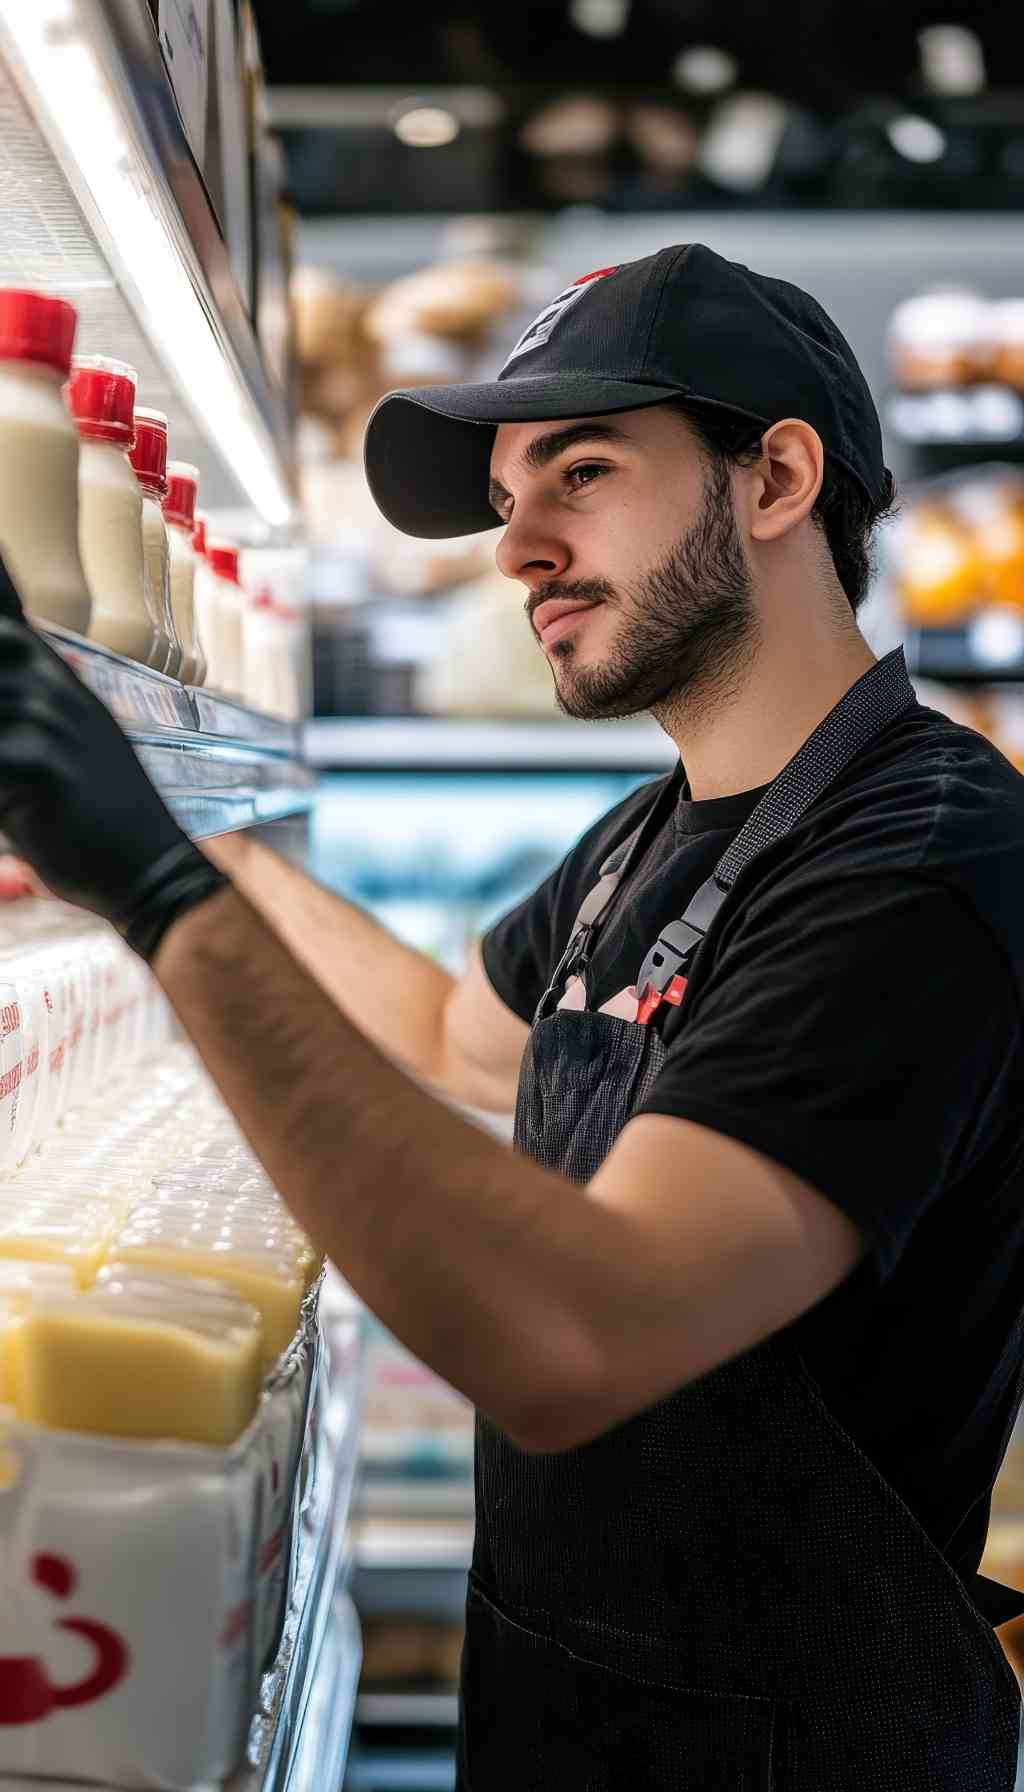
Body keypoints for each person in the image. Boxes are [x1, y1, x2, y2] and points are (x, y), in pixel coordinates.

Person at [2, 243, 1024, 1789]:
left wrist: (156, 893)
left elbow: (575, 1335)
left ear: (777, 478)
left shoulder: (922, 858)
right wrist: (151, 815)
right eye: (504, 500)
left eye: (583, 473)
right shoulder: (647, 836)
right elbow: (444, 1035)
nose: (516, 549)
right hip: (573, 1717)